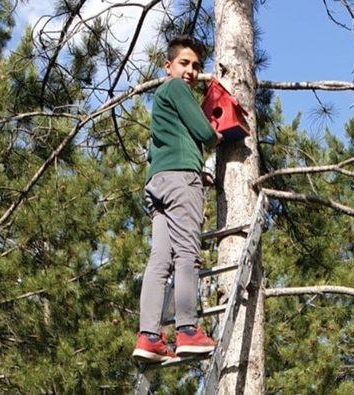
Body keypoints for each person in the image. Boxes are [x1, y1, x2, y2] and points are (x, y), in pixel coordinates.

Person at [132, 35, 222, 363]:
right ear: (168, 66)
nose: (191, 71)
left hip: (158, 185)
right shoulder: (175, 89)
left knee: (159, 260)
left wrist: (198, 171)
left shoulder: (162, 107)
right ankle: (187, 331)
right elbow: (203, 132)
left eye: (197, 66)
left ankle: (149, 337)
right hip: (180, 181)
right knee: (187, 254)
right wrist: (215, 135)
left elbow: (171, 146)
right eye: (184, 63)